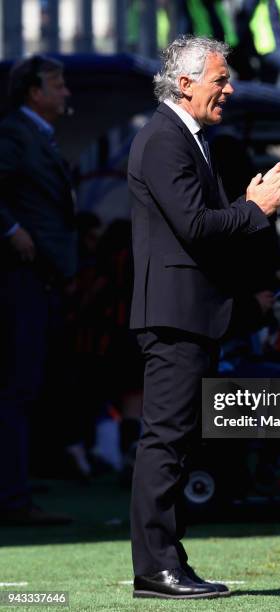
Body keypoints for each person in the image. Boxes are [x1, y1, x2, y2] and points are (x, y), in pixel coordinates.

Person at [128, 35, 280, 599]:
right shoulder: (165, 139)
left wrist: (253, 206)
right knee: (166, 441)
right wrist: (255, 207)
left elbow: (209, 228)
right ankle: (156, 569)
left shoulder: (188, 140)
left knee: (179, 443)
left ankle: (169, 563)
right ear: (185, 84)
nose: (229, 89)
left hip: (193, 315)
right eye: (220, 80)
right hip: (175, 317)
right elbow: (199, 228)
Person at [0, 56, 76, 525]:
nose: (66, 93)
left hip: (38, 278)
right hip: (17, 279)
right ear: (34, 92)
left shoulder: (33, 136)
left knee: (26, 388)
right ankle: (13, 497)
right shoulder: (14, 134)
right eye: (58, 84)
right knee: (16, 389)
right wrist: (11, 229)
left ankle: (17, 484)